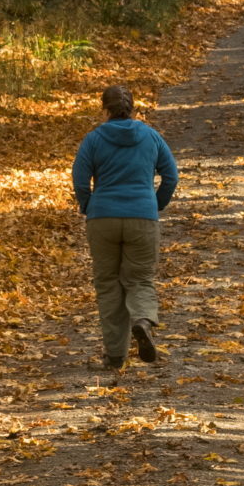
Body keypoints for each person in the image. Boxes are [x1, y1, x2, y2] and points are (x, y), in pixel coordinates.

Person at [71, 83, 179, 370]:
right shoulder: (150, 136)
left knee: (108, 284)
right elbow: (171, 176)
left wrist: (88, 206)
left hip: (103, 218)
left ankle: (116, 355)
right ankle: (142, 319)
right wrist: (155, 205)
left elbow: (81, 181)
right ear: (133, 107)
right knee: (140, 279)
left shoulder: (93, 139)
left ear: (104, 109)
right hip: (142, 217)